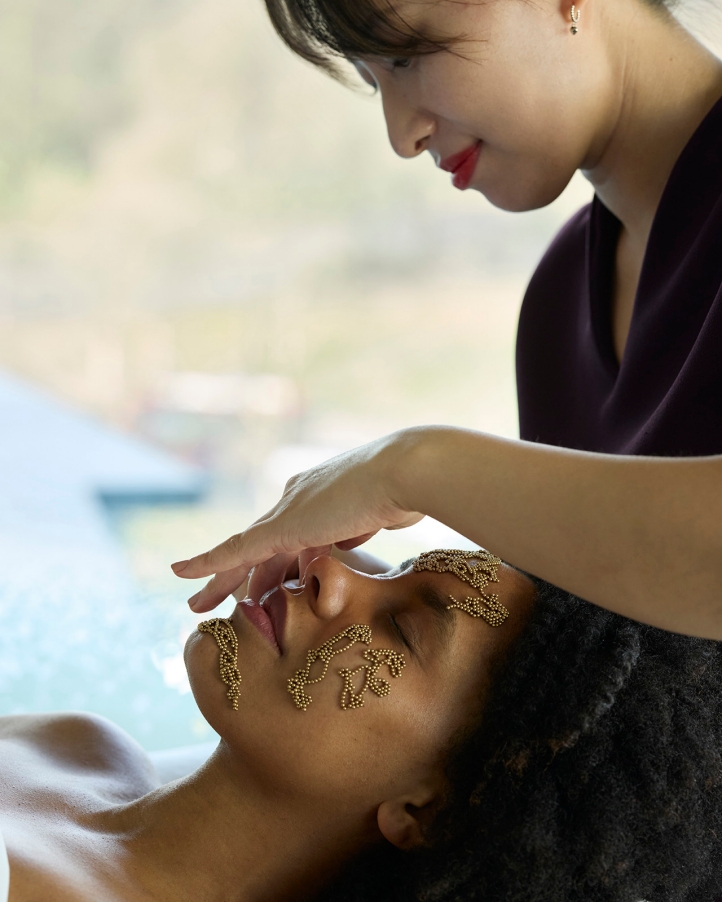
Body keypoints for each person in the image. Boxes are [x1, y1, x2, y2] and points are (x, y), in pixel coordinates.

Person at [171, 0, 722, 640]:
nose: (401, 136)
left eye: (406, 56)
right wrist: (354, 599)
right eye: (372, 79)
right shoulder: (560, 299)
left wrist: (411, 469)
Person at [3, 551, 721, 901]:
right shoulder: (77, 743)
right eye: (393, 567)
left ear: (425, 811)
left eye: (402, 629)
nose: (330, 572)